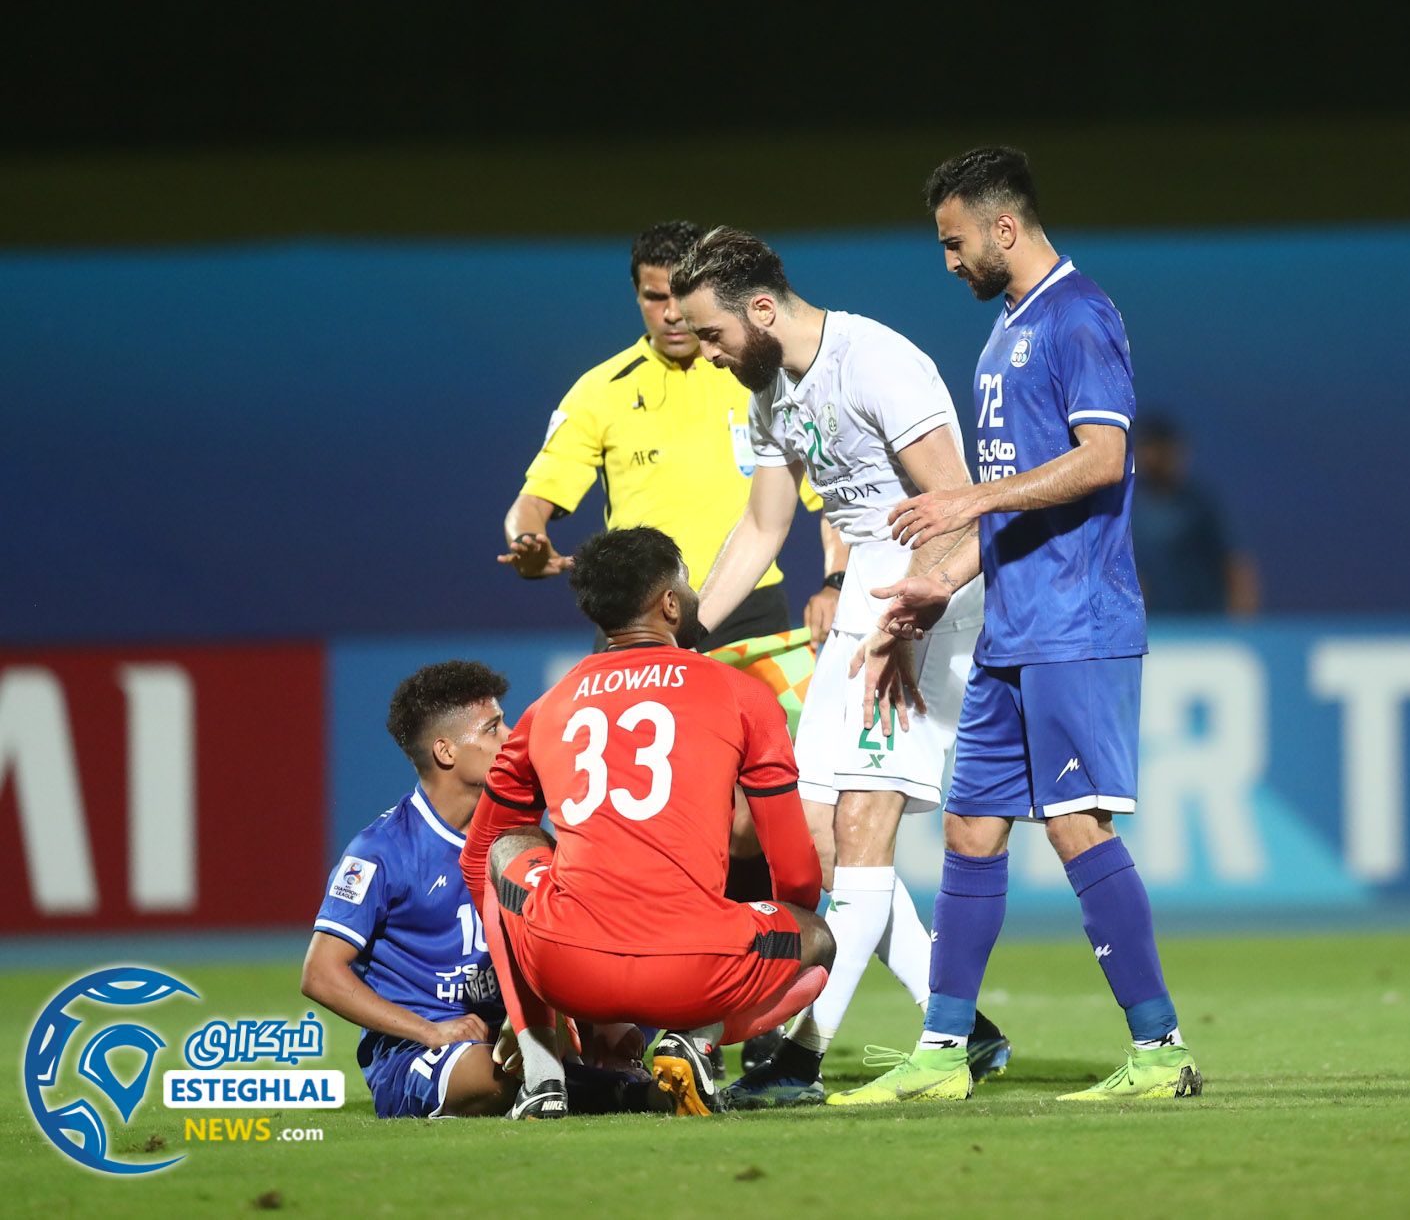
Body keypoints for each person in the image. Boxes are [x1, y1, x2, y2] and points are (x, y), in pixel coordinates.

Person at [835, 146, 1201, 1104]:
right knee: (969, 826)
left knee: (1075, 825)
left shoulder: (1081, 316)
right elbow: (1013, 512)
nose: (948, 261)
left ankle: (1161, 1051)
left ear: (1005, 228)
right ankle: (944, 1050)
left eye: (955, 242)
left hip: (1077, 618)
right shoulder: (1005, 332)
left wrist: (968, 501)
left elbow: (1103, 460)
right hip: (1010, 622)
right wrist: (943, 582)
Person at [669, 226, 1011, 1107]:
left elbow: (958, 510)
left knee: (862, 828)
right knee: (813, 839)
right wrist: (678, 639)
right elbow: (760, 528)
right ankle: (962, 1024)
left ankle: (799, 1056)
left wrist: (908, 614)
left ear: (760, 308)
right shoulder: (770, 392)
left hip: (924, 589)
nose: (707, 355)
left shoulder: (876, 362)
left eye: (712, 335)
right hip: (866, 587)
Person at [459, 526, 835, 1119]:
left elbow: (478, 857)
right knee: (817, 940)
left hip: (569, 970)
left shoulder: (547, 707)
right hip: (697, 968)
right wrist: (782, 923)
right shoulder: (741, 695)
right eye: (684, 581)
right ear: (668, 603)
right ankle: (696, 1041)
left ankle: (542, 1073)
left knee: (506, 848)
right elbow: (791, 862)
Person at [304, 661, 675, 1119]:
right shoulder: (380, 850)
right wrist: (430, 1031)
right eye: (493, 728)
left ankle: (592, 1071)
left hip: (511, 1028)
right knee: (488, 1078)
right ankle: (628, 1092)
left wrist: (603, 1020)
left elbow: (562, 936)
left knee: (658, 978)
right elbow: (320, 974)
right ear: (446, 752)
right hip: (419, 1051)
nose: (512, 735)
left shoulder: (518, 833)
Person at [497, 217, 841, 651]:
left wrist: (836, 581)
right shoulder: (598, 392)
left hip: (750, 608)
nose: (672, 314)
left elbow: (833, 494)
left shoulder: (756, 378)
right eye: (655, 298)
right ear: (637, 296)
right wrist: (529, 543)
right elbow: (529, 506)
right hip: (639, 618)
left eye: (680, 297)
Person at [1130, 413, 1259, 616]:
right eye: (1150, 449)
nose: (1157, 459)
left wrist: (1243, 622)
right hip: (1151, 628)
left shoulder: (1198, 505)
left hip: (1199, 626)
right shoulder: (1127, 507)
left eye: (1165, 451)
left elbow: (1233, 564)